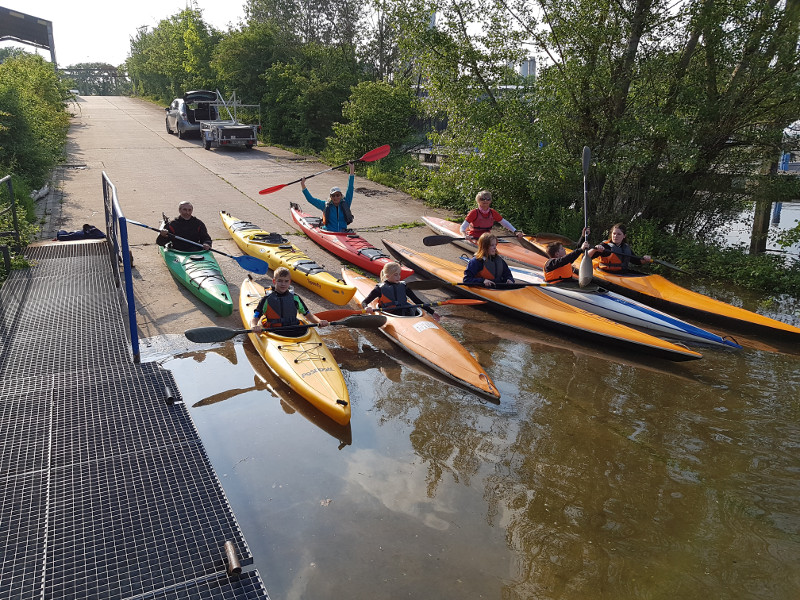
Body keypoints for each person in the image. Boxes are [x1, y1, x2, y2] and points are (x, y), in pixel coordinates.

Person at [250, 267, 329, 334]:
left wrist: (319, 321)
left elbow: (309, 315)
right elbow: (255, 317)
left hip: (294, 330)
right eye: (280, 281)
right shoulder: (267, 299)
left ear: (289, 282)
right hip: (274, 332)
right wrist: (254, 326)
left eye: (286, 281)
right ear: (274, 281)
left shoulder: (295, 298)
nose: (283, 284)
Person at [361, 262, 441, 321]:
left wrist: (432, 312)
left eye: (399, 274)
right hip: (390, 314)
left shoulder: (404, 286)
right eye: (395, 275)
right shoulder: (380, 289)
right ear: (387, 276)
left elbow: (417, 301)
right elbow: (364, 302)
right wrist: (366, 307)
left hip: (404, 312)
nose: (399, 277)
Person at [300, 161, 355, 232]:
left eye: (337, 195)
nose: (335, 197)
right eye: (333, 195)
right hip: (329, 233)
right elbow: (311, 199)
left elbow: (350, 188)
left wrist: (352, 169)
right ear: (330, 197)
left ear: (341, 196)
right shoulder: (325, 205)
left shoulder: (346, 203)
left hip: (342, 233)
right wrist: (303, 185)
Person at [459, 190, 524, 241]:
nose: (485, 201)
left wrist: (515, 231)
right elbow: (462, 227)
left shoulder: (492, 212)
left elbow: (505, 223)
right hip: (474, 237)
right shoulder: (474, 213)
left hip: (487, 237)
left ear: (490, 201)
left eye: (488, 199)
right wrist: (464, 235)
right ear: (478, 201)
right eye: (482, 199)